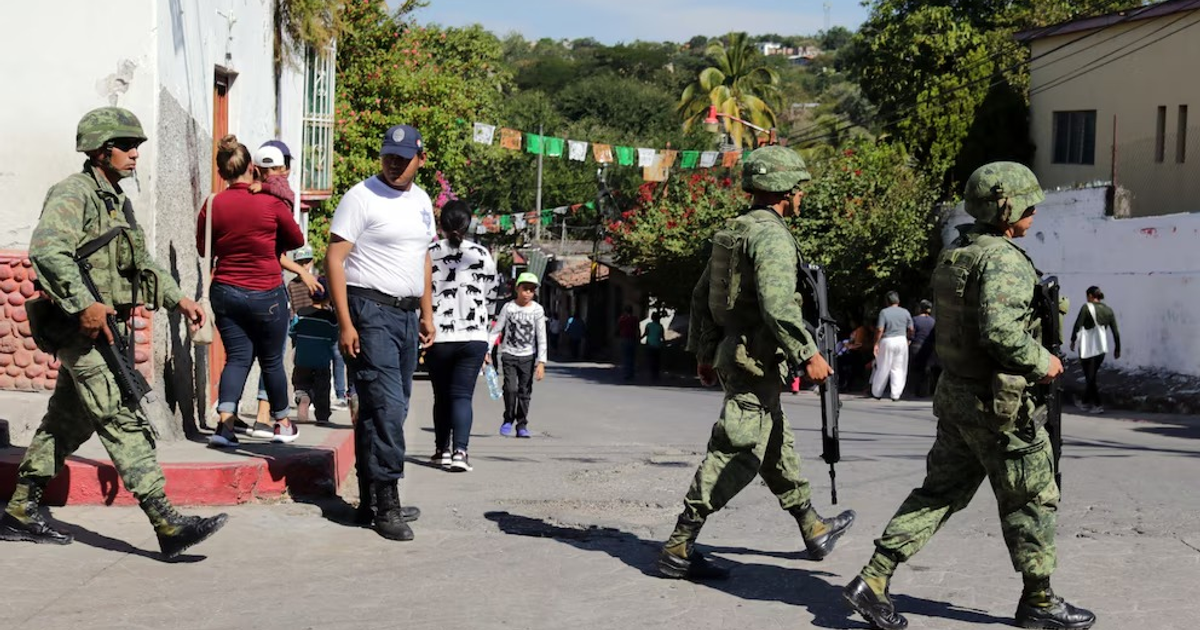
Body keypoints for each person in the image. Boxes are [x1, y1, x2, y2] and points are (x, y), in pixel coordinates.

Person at [843, 162, 1094, 630]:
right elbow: (1000, 333)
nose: (1034, 212)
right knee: (1031, 498)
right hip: (1001, 408)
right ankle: (1039, 600)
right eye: (1028, 203)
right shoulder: (1002, 259)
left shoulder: (956, 253)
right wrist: (1045, 363)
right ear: (1006, 207)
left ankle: (873, 578)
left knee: (938, 493)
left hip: (958, 398)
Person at [0, 107, 226, 558]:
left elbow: (142, 264)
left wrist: (177, 298)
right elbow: (47, 251)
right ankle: (166, 520)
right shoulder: (74, 193)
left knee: (65, 423)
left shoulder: (116, 202)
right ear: (102, 151)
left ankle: (21, 510)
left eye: (138, 146)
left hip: (107, 329)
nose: (135, 154)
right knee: (121, 417)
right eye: (126, 146)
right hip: (80, 330)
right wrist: (84, 305)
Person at [657, 145, 854, 581]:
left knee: (775, 446)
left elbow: (700, 294)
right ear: (784, 190)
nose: (801, 196)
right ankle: (679, 547)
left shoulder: (734, 231)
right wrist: (810, 354)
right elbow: (778, 305)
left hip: (739, 354)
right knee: (736, 451)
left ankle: (813, 527)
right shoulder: (772, 236)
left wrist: (706, 353)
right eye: (798, 188)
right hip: (755, 360)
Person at [326, 124, 433, 541]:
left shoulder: (422, 200)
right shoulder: (361, 196)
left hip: (406, 316)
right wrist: (346, 323)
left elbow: (422, 257)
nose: (394, 164)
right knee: (387, 408)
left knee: (389, 407)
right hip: (369, 311)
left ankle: (371, 496)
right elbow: (335, 260)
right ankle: (386, 503)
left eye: (403, 159)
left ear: (420, 160)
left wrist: (427, 313)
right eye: (388, 156)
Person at [200, 135, 305, 447]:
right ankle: (282, 423)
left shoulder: (213, 203)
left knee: (237, 358)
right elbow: (297, 240)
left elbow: (203, 247)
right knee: (272, 360)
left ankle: (224, 426)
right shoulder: (270, 202)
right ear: (253, 168)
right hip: (266, 292)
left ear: (222, 171)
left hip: (225, 291)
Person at [248, 143, 323, 435]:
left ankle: (228, 418)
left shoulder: (246, 194)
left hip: (234, 285)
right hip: (267, 286)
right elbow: (284, 247)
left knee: (243, 355)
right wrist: (302, 270)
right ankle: (266, 416)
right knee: (271, 354)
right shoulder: (278, 199)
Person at [426, 200, 499, 472]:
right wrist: (486, 324)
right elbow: (492, 294)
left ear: (441, 224)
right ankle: (460, 453)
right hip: (474, 337)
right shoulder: (482, 254)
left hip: (438, 335)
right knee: (461, 396)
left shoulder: (429, 252)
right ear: (468, 224)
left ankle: (441, 450)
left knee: (441, 395)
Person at [488, 272, 547, 438]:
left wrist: (541, 362)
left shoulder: (537, 310)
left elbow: (541, 336)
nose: (527, 293)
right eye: (525, 288)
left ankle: (522, 424)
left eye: (531, 290)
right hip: (509, 354)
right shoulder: (509, 307)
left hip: (528, 356)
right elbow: (496, 330)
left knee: (524, 391)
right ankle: (508, 418)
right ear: (517, 289)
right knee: (510, 388)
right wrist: (487, 350)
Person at [291, 278, 339, 426]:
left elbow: (293, 331)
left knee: (301, 382)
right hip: (322, 360)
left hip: (302, 357)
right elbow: (334, 336)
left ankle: (303, 397)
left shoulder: (301, 313)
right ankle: (322, 415)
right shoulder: (330, 318)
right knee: (322, 387)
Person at [1070, 286, 1120, 414]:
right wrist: (1117, 348)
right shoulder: (1108, 310)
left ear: (1091, 296)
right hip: (1101, 348)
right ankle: (1085, 402)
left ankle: (1098, 404)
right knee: (1091, 376)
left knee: (1090, 377)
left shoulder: (1086, 307)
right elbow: (1115, 331)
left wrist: (1073, 340)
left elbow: (1078, 325)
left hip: (1088, 348)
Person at [871, 291, 914, 401]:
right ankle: (896, 394)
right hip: (901, 340)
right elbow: (911, 329)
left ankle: (877, 392)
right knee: (899, 367)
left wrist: (876, 343)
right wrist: (909, 339)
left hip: (887, 340)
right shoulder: (905, 312)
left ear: (887, 301)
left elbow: (880, 329)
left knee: (883, 366)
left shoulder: (884, 312)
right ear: (898, 300)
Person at [908, 299, 937, 398]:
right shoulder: (933, 321)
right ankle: (925, 391)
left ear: (920, 308)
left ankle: (915, 390)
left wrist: (910, 340)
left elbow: (911, 333)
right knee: (927, 369)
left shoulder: (915, 319)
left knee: (915, 369)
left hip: (916, 346)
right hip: (929, 348)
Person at [642, 311, 666, 382]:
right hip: (658, 345)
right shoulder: (660, 326)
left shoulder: (648, 325)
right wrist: (664, 343)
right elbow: (662, 337)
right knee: (657, 361)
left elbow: (645, 334)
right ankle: (656, 374)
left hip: (650, 345)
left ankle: (652, 374)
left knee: (651, 360)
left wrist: (639, 338)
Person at [617, 305, 639, 380]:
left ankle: (626, 373)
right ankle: (631, 372)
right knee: (632, 357)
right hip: (632, 338)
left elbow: (619, 327)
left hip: (625, 338)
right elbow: (637, 329)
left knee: (626, 357)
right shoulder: (635, 319)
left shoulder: (622, 319)